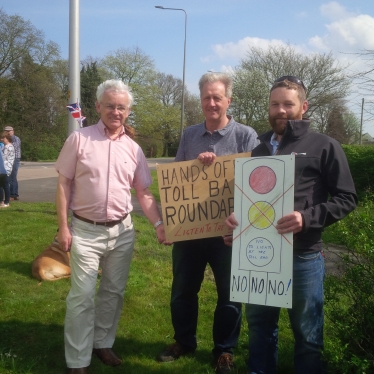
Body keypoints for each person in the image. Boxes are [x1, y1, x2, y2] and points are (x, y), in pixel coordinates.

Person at [225, 76, 357, 374]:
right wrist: (238, 224)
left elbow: (347, 198)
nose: (280, 110)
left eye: (288, 104)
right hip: (258, 256)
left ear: (303, 106)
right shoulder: (258, 151)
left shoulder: (324, 145)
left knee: (308, 336)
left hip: (304, 256)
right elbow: (250, 200)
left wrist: (306, 218)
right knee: (260, 330)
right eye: (275, 104)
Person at [55, 79, 169, 374]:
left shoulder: (134, 149)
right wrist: (63, 227)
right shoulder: (79, 140)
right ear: (98, 107)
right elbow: (63, 184)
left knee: (113, 292)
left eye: (121, 107)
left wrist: (158, 223)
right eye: (110, 106)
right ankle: (77, 360)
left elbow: (143, 192)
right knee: (81, 295)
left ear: (128, 111)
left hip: (122, 232)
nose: (115, 112)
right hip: (85, 230)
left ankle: (102, 343)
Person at [158, 72, 259, 373]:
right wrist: (194, 169)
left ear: (228, 100)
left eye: (217, 97)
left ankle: (224, 351)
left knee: (230, 294)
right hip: (190, 229)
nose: (212, 103)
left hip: (229, 232)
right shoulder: (189, 135)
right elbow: (176, 179)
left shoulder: (245, 135)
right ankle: (184, 341)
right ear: (200, 100)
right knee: (182, 291)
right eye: (206, 98)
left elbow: (258, 181)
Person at [4, 126, 21, 200]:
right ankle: (15, 194)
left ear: (13, 131)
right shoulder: (6, 139)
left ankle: (13, 194)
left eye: (9, 131)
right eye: (6, 131)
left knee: (12, 177)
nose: (8, 132)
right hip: (9, 159)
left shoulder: (16, 139)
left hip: (15, 159)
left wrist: (6, 144)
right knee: (12, 177)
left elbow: (13, 147)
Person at [0, 132, 15, 208]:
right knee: (2, 185)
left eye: (3, 138)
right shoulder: (7, 146)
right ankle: (2, 201)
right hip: (5, 168)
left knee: (5, 185)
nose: (2, 140)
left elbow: (3, 158)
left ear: (7, 138)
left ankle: (6, 202)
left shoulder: (8, 147)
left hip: (5, 168)